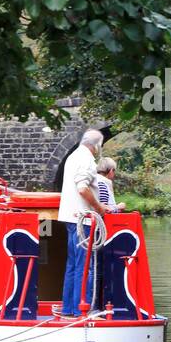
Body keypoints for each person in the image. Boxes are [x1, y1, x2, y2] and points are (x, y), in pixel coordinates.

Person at [58, 129, 116, 315]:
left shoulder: (72, 157)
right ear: (97, 146)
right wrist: (99, 208)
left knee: (72, 265)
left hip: (70, 217)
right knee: (86, 266)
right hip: (83, 220)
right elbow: (83, 189)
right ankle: (82, 310)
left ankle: (69, 308)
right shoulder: (87, 161)